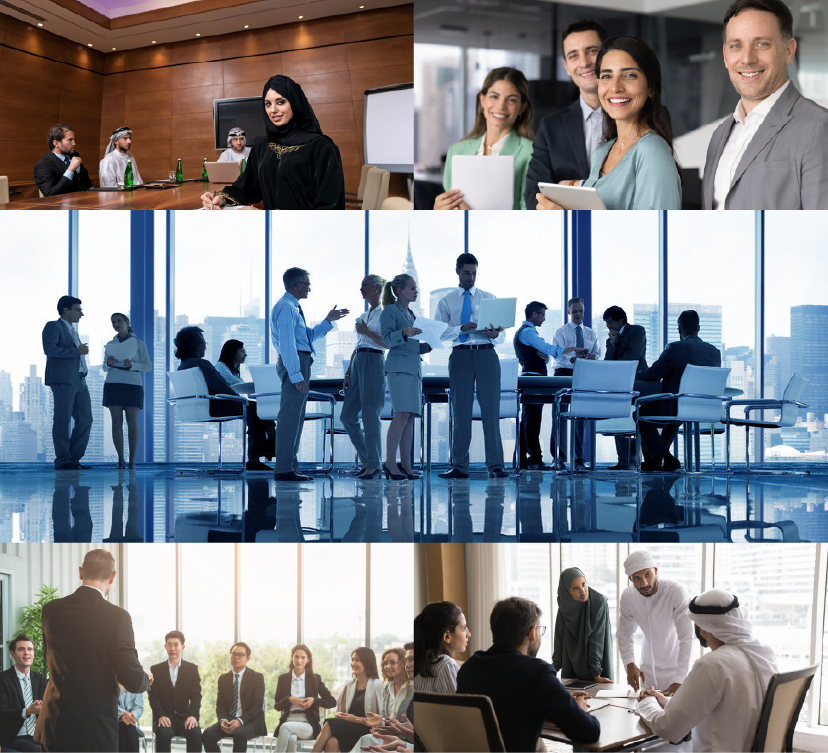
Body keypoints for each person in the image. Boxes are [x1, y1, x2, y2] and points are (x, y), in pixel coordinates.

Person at [703, 0, 828, 210]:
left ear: (788, 51)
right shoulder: (719, 136)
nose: (747, 59)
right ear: (725, 56)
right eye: (736, 46)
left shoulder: (819, 128)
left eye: (761, 44)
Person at [536, 37, 682, 211]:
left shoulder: (652, 150)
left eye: (629, 75)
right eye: (606, 76)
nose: (615, 87)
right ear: (598, 85)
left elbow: (653, 234)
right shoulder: (602, 152)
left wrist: (571, 220)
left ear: (650, 86)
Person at [34, 549, 153, 753]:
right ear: (113, 576)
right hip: (92, 733)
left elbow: (49, 657)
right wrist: (146, 678)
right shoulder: (117, 617)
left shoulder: (50, 610)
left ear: (81, 572)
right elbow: (132, 678)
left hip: (53, 727)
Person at [636, 588, 779, 753]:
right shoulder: (763, 654)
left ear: (702, 628)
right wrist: (667, 702)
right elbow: (726, 708)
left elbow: (668, 729)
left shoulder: (713, 664)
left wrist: (647, 702)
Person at [457, 596, 601, 753]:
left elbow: (508, 710)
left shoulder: (469, 667)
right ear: (532, 632)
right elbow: (589, 733)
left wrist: (558, 704)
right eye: (540, 630)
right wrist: (578, 708)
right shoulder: (537, 672)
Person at [201, 75, 345, 209]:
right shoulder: (262, 147)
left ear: (295, 103)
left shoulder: (322, 147)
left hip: (305, 233)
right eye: (268, 104)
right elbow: (246, 188)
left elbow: (330, 208)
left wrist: (267, 218)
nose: (273, 110)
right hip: (271, 231)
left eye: (280, 102)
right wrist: (220, 198)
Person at [270, 268, 348, 481]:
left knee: (295, 417)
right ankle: (284, 469)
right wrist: (296, 375)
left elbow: (308, 337)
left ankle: (290, 467)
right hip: (295, 361)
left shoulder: (293, 308)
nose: (309, 288)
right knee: (289, 417)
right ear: (297, 285)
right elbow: (287, 344)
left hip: (300, 360)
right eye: (307, 284)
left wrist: (328, 320)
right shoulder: (286, 308)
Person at [436, 253, 508, 479]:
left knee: (491, 411)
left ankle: (496, 466)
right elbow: (440, 334)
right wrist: (462, 328)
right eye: (467, 273)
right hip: (460, 356)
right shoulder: (446, 301)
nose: (471, 277)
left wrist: (496, 334)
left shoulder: (489, 298)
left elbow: (502, 337)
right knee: (461, 411)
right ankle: (459, 466)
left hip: (487, 354)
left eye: (474, 273)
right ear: (457, 271)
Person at [525, 19, 608, 210]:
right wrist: (547, 208)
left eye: (592, 51)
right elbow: (533, 193)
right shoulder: (550, 127)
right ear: (566, 66)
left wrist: (573, 185)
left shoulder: (639, 116)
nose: (584, 63)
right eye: (573, 56)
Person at [174, 326, 273, 471]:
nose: (206, 346)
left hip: (194, 409)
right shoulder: (202, 364)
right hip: (214, 407)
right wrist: (242, 400)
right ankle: (257, 457)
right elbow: (222, 387)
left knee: (254, 409)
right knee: (256, 409)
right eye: (204, 342)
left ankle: (265, 450)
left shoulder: (182, 366)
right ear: (195, 345)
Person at [436, 67, 535, 211]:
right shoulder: (456, 151)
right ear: (482, 100)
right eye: (494, 96)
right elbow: (449, 206)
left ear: (521, 108)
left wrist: (475, 221)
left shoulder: (531, 153)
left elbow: (529, 214)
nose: (501, 106)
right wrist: (438, 210)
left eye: (512, 100)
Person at [636, 309, 722, 471]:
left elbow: (653, 375)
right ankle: (656, 461)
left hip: (677, 406)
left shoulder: (675, 348)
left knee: (640, 415)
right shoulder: (714, 352)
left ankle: (665, 458)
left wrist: (638, 373)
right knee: (676, 417)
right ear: (699, 328)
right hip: (704, 407)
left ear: (679, 330)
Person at [513, 301, 584, 470]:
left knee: (529, 420)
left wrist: (543, 356)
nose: (544, 318)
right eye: (543, 315)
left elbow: (544, 355)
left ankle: (525, 460)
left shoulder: (528, 333)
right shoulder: (528, 332)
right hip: (532, 379)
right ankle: (534, 460)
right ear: (534, 314)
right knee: (532, 421)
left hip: (532, 377)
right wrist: (574, 348)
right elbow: (549, 349)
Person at [617, 551, 693, 698]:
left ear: (656, 571)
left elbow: (686, 637)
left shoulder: (676, 591)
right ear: (630, 579)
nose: (644, 583)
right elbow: (624, 634)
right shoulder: (628, 596)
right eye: (637, 578)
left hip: (676, 673)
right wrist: (629, 662)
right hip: (647, 675)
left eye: (648, 574)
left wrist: (680, 679)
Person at [380, 274, 430, 480]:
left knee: (409, 417)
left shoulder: (411, 313)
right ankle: (390, 462)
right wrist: (405, 332)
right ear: (399, 290)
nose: (416, 291)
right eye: (412, 288)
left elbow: (412, 343)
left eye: (416, 288)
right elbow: (386, 339)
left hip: (413, 368)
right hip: (399, 368)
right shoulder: (391, 311)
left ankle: (406, 465)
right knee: (401, 414)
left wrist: (428, 345)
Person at [341, 275, 388, 480]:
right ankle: (368, 459)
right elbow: (358, 344)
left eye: (365, 286)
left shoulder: (386, 314)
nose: (361, 290)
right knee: (347, 416)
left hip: (374, 361)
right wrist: (348, 371)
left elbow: (388, 343)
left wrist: (367, 331)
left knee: (370, 414)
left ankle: (374, 465)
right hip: (359, 360)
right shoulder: (364, 313)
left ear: (377, 288)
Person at [43, 296, 92, 471]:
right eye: (78, 309)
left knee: (86, 419)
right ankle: (63, 460)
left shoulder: (74, 332)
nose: (81, 313)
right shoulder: (53, 326)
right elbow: (49, 349)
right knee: (62, 419)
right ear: (66, 310)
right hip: (63, 379)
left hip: (79, 380)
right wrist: (76, 350)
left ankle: (73, 459)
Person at [550, 297, 599, 471]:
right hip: (563, 373)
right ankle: (558, 458)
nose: (579, 314)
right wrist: (573, 358)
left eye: (581, 311)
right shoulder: (561, 332)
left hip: (583, 374)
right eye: (575, 311)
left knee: (581, 417)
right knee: (559, 416)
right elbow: (557, 353)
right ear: (569, 312)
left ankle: (578, 459)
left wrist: (592, 357)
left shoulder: (591, 333)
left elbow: (597, 353)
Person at [308, 648, 382, 753]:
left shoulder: (377, 685)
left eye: (357, 660)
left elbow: (378, 719)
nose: (353, 663)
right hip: (350, 729)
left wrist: (355, 719)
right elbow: (343, 713)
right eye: (352, 659)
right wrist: (340, 715)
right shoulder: (349, 685)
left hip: (367, 731)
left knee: (329, 724)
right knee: (331, 742)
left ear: (367, 661)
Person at [216, 339, 276, 467]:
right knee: (257, 411)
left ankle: (257, 457)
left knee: (258, 412)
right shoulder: (221, 367)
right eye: (242, 351)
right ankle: (272, 441)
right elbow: (237, 385)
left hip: (234, 403)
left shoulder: (232, 370)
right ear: (232, 352)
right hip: (224, 405)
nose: (245, 355)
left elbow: (242, 388)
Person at [103, 312, 152, 470]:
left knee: (132, 423)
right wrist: (109, 363)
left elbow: (148, 366)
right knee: (116, 423)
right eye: (113, 322)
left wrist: (133, 365)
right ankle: (120, 460)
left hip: (132, 384)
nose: (116, 324)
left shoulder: (138, 344)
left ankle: (132, 460)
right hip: (113, 383)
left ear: (127, 322)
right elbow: (104, 367)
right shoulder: (111, 344)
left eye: (118, 321)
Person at [602, 305, 647, 470]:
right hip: (619, 383)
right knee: (619, 417)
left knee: (636, 418)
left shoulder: (637, 331)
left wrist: (616, 361)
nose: (608, 327)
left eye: (610, 322)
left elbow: (633, 357)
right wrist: (612, 345)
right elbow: (607, 364)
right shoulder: (610, 339)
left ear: (620, 320)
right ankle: (622, 461)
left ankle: (634, 460)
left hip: (637, 379)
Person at [201, 642, 266, 753]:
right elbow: (220, 704)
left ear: (247, 658)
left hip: (251, 722)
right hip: (229, 721)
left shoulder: (257, 677)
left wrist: (240, 721)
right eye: (234, 654)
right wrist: (223, 720)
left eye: (241, 655)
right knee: (207, 734)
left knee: (239, 733)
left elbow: (257, 706)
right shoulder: (223, 678)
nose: (236, 657)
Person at [553, 568, 614, 683]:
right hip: (571, 666)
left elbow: (596, 641)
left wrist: (596, 674)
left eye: (583, 584)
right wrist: (553, 669)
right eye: (576, 588)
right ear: (567, 592)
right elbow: (559, 638)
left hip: (597, 667)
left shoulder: (598, 603)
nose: (583, 591)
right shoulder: (564, 605)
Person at [272, 644, 336, 753]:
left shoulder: (315, 679)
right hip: (289, 719)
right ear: (292, 658)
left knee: (286, 728)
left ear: (308, 660)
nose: (299, 660)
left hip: (307, 724)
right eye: (296, 656)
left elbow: (332, 702)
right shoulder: (283, 679)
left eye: (303, 657)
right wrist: (289, 699)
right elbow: (277, 706)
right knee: (291, 738)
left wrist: (314, 701)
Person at [147, 631, 202, 753]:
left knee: (195, 732)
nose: (172, 648)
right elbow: (153, 696)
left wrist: (193, 716)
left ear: (182, 647)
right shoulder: (155, 669)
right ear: (165, 646)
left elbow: (196, 695)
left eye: (176, 645)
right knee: (163, 732)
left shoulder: (192, 669)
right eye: (169, 644)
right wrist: (160, 715)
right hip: (165, 717)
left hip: (185, 717)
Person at [0, 634, 47, 753]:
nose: (26, 653)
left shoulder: (41, 679)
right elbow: (1, 713)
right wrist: (28, 711)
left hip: (39, 736)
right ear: (12, 654)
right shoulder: (3, 679)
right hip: (15, 737)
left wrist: (45, 708)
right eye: (21, 649)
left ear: (33, 654)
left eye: (30, 649)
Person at [413, 601, 469, 693]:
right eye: (463, 628)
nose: (468, 634)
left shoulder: (417, 662)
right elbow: (456, 706)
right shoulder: (447, 665)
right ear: (447, 636)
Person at [34, 125, 93, 197]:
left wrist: (93, 193)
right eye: (70, 140)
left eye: (73, 139)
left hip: (86, 200)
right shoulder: (43, 165)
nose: (74, 143)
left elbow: (84, 178)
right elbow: (50, 195)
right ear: (56, 143)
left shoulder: (74, 154)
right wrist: (70, 170)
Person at [117, 682, 144, 753]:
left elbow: (138, 707)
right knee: (130, 729)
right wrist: (122, 714)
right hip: (113, 722)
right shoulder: (109, 682)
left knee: (122, 736)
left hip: (129, 723)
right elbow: (109, 705)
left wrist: (131, 716)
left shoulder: (136, 683)